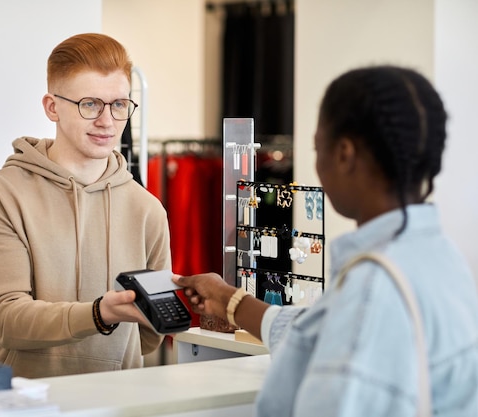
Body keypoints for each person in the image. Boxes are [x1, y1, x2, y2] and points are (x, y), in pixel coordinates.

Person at [173, 65, 478, 416]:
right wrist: (229, 300)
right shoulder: (442, 258)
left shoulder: (372, 288)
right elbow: (316, 331)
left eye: (317, 147)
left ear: (344, 154)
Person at [0, 33, 171, 378]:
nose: (107, 121)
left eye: (119, 104)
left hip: (119, 402)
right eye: (89, 104)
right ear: (52, 107)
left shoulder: (147, 209)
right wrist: (98, 314)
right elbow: (6, 320)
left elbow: (151, 334)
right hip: (22, 403)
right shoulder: (0, 194)